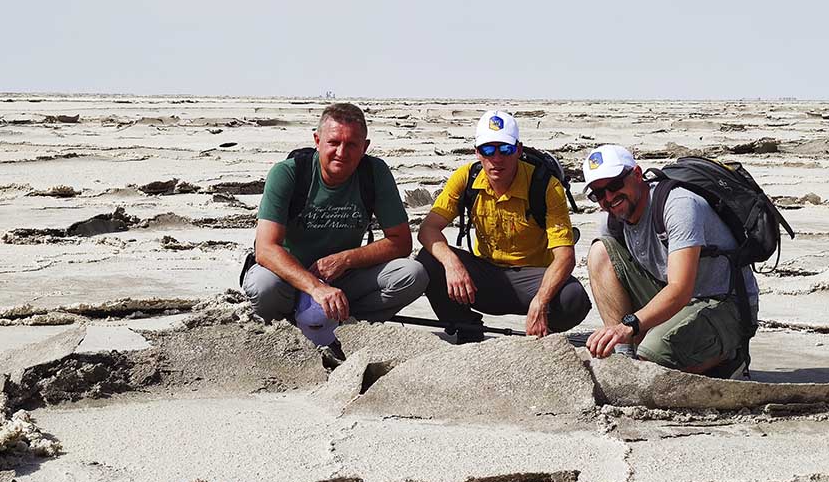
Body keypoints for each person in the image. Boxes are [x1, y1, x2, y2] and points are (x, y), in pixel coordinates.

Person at [241, 103, 428, 354]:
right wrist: (316, 288)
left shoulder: (374, 173)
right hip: (289, 277)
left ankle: (347, 328)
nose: (341, 152)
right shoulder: (288, 173)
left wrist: (346, 259)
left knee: (413, 274)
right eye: (333, 143)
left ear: (365, 147)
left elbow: (401, 242)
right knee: (263, 284)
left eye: (351, 144)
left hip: (343, 279)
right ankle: (284, 330)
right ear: (317, 141)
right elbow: (265, 249)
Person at [582, 145, 758, 378]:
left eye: (614, 185)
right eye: (598, 194)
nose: (608, 198)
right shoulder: (613, 221)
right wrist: (622, 335)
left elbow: (680, 289)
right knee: (600, 253)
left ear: (637, 174)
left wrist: (628, 325)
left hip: (721, 304)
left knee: (651, 357)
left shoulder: (679, 205)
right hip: (676, 299)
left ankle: (729, 357)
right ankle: (624, 358)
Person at [416, 110, 591, 342]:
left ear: (518, 149)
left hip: (532, 279)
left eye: (505, 149)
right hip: (483, 276)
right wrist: (452, 264)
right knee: (428, 260)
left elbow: (565, 256)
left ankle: (541, 333)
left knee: (573, 298)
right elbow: (428, 229)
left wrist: (541, 301)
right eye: (488, 150)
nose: (496, 158)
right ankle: (467, 328)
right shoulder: (466, 178)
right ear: (477, 152)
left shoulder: (545, 185)